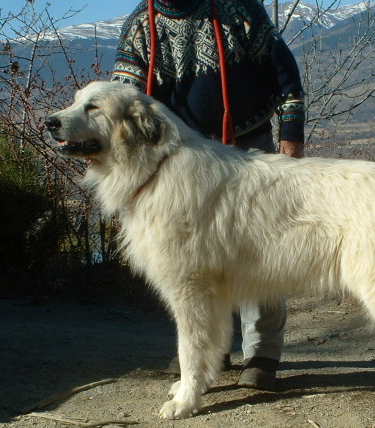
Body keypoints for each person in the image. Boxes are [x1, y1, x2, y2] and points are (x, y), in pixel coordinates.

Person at [111, 0, 305, 389]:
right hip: (183, 160)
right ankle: (207, 355)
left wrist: (291, 131)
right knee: (192, 264)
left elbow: (283, 70)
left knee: (262, 251)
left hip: (250, 147)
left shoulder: (239, 8)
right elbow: (125, 94)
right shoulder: (140, 24)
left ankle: (262, 354)